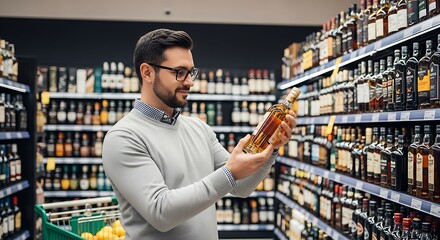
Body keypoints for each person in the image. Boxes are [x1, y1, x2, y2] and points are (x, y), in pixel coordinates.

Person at [102, 28, 297, 240]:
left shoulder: (199, 128)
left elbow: (241, 187)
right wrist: (229, 174)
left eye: (191, 72)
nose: (189, 82)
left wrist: (272, 148)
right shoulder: (123, 137)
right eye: (179, 72)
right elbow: (161, 212)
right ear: (147, 72)